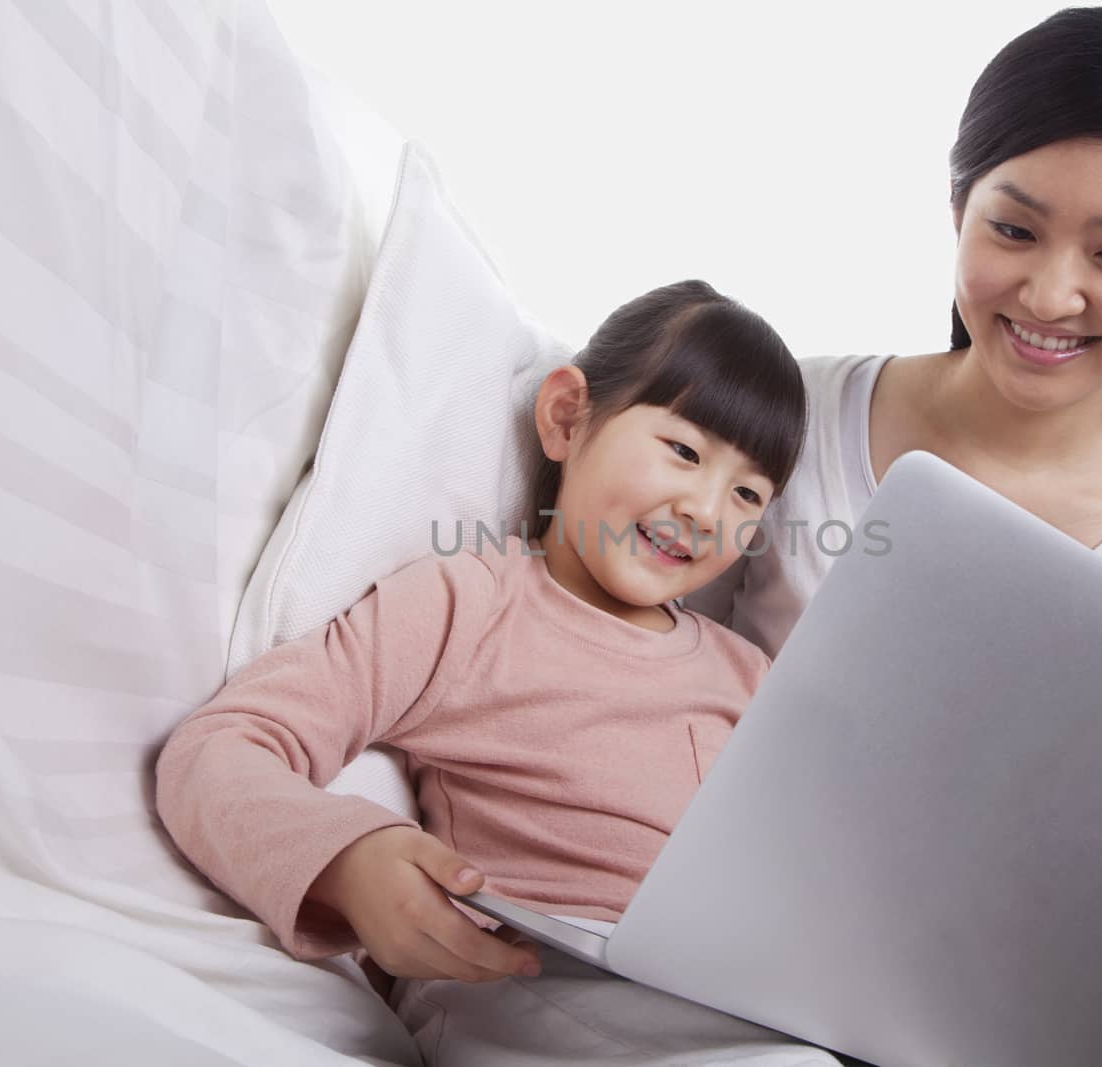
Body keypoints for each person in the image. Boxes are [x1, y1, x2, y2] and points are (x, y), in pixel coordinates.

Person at [156, 280, 843, 1063]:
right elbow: (218, 746)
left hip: (730, 998)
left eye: (748, 492)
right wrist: (348, 861)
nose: (707, 510)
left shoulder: (747, 676)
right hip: (529, 980)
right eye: (684, 451)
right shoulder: (468, 603)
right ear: (564, 417)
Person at [689, 5, 1102, 657]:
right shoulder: (783, 417)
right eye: (1014, 231)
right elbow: (629, 663)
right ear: (959, 208)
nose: (1049, 296)